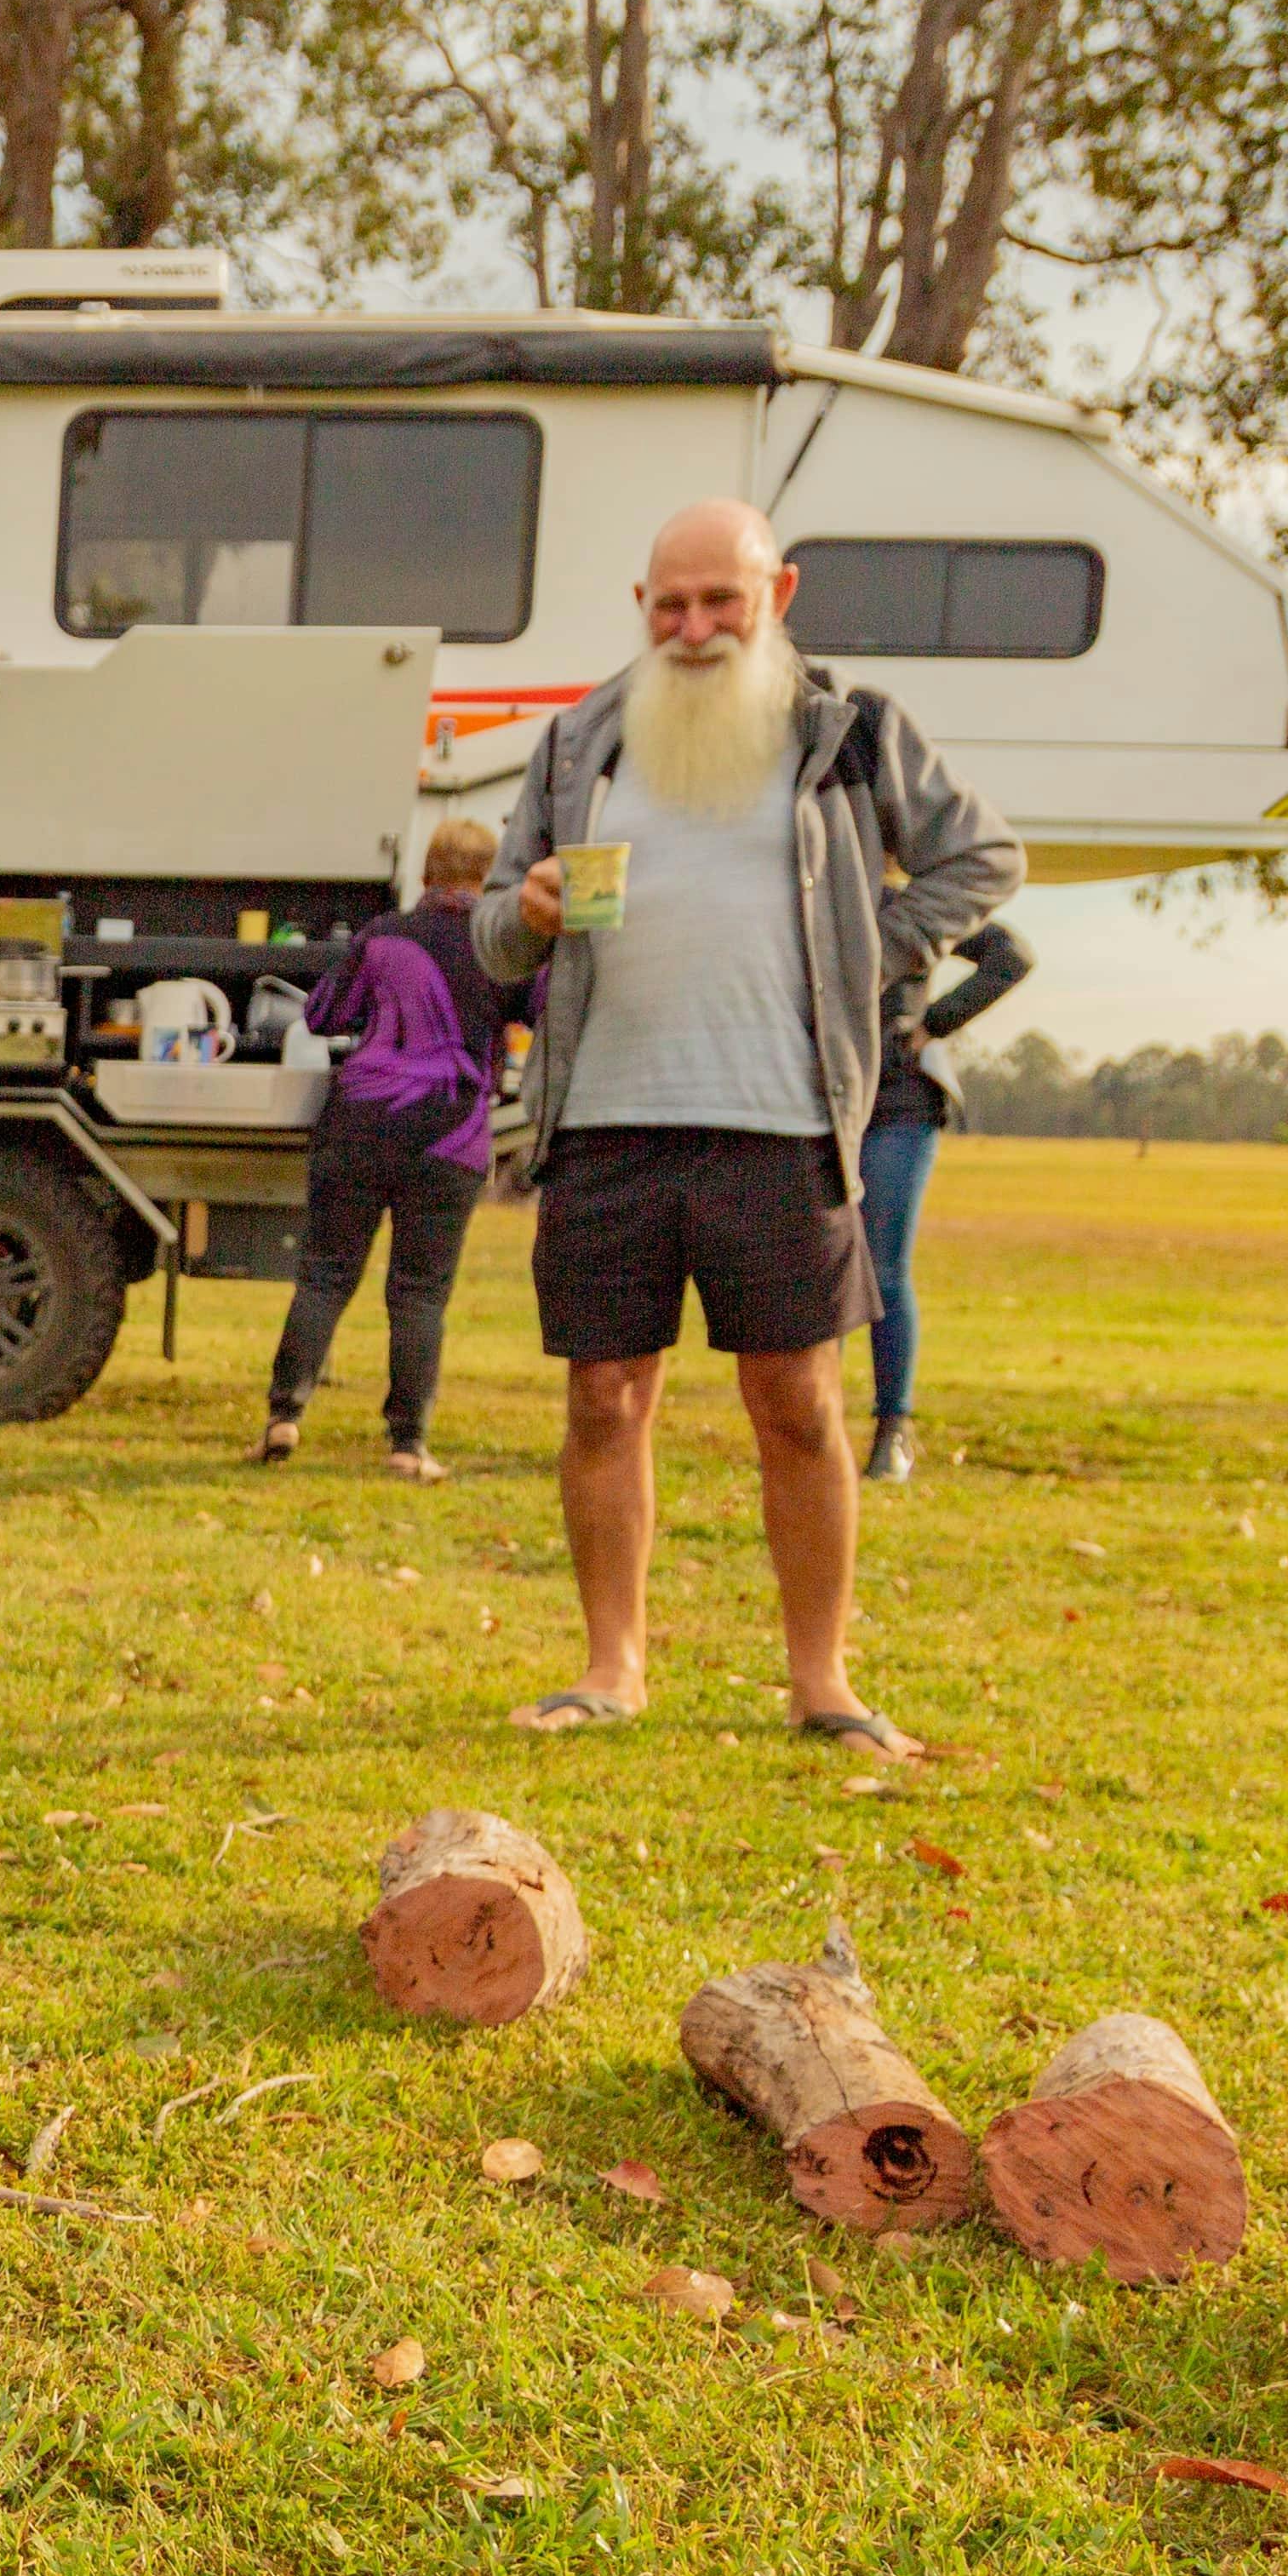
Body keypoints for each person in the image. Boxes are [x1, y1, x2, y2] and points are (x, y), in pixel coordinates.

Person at [473, 499, 1021, 1759]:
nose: (695, 626)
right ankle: (612, 1667)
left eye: (720, 600)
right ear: (642, 611)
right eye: (670, 604)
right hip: (607, 1118)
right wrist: (532, 910)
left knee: (799, 1401)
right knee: (605, 1399)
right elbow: (494, 921)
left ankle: (822, 1680)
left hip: (780, 1122)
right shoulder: (579, 743)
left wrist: (868, 953)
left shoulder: (849, 731)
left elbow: (983, 858)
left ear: (776, 595)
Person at [255, 815, 531, 1482]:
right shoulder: (503, 948)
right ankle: (408, 1443)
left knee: (324, 1273)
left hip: (360, 1124)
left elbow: (322, 1015)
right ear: (488, 879)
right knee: (419, 1295)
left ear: (427, 874)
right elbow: (543, 1009)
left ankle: (284, 1417)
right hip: (450, 1137)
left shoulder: (383, 936)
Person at [855, 918, 1033, 1482]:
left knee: (882, 1269)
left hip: (896, 1103)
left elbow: (1011, 956)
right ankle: (809, 1427)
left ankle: (893, 1430)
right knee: (819, 1272)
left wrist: (932, 1023)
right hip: (817, 1097)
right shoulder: (805, 878)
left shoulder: (918, 902)